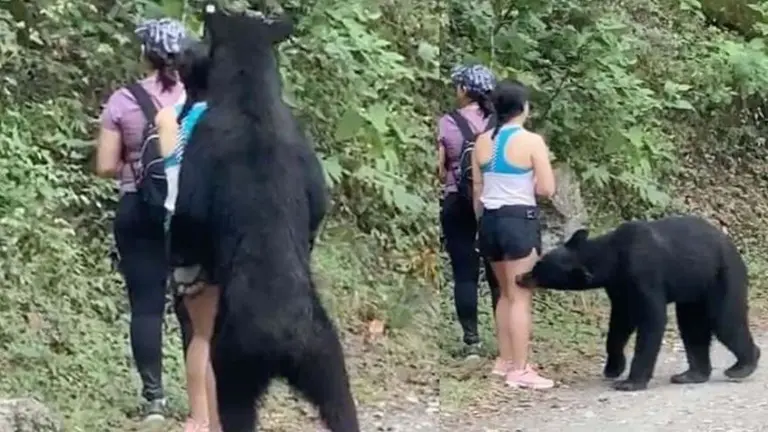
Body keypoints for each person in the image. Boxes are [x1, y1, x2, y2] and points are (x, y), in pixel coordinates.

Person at [94, 18, 188, 422]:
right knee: (195, 307)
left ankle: (154, 400)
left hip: (138, 208)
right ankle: (206, 400)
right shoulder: (201, 96)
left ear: (144, 54)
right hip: (190, 210)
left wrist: (137, 167)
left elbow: (103, 165)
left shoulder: (122, 100)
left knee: (147, 306)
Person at [471, 79, 556, 389]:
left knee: (505, 294)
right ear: (523, 109)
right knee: (520, 296)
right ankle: (520, 370)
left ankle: (505, 360)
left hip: (490, 222)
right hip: (519, 221)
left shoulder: (481, 142)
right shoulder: (532, 141)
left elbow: (477, 191)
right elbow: (547, 188)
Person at [155, 38, 220, 432]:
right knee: (219, 334)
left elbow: (171, 168)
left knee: (200, 333)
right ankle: (213, 419)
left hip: (176, 224)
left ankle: (200, 416)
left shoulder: (167, 116)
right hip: (214, 226)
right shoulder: (219, 118)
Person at [437, 64, 501, 358]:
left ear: (465, 90)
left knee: (465, 274)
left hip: (457, 202)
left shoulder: (448, 122)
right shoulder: (499, 124)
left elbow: (440, 169)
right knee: (497, 273)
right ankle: (506, 342)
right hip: (494, 203)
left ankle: (472, 342)